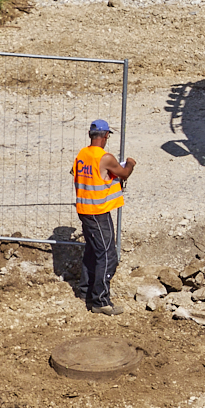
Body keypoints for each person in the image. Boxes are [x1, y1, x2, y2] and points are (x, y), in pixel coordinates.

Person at [71, 119, 136, 315]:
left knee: (92, 250)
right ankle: (100, 300)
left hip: (84, 209)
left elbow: (77, 172)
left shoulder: (83, 154)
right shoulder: (105, 157)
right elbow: (124, 173)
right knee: (107, 254)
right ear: (106, 136)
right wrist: (131, 163)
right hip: (98, 211)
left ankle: (85, 291)